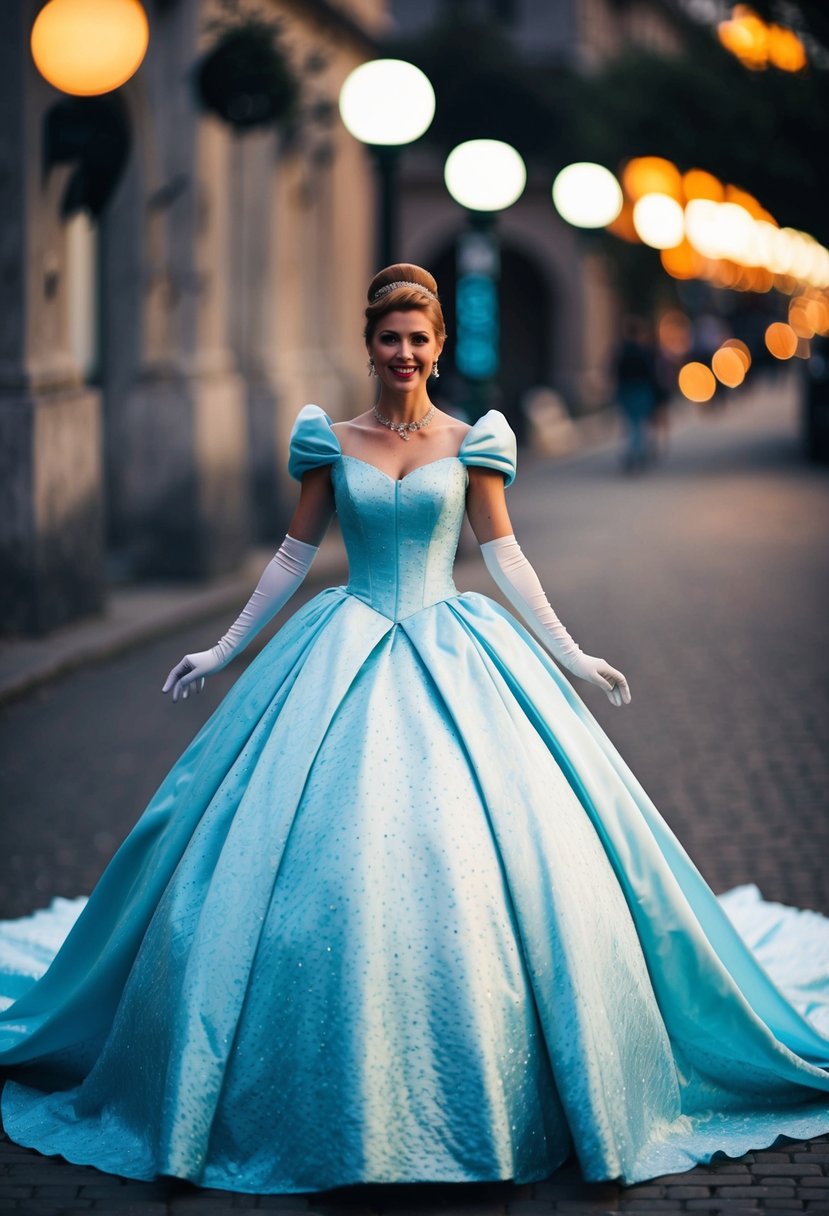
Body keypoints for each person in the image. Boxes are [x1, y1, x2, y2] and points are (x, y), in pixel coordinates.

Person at [1, 264, 828, 1194]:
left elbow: (504, 555)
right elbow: (291, 554)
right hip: (341, 641)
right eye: (389, 338)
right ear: (370, 346)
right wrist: (226, 651)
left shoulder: (474, 441)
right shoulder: (330, 440)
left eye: (418, 339)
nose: (404, 353)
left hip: (449, 639)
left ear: (438, 347)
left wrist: (570, 655)